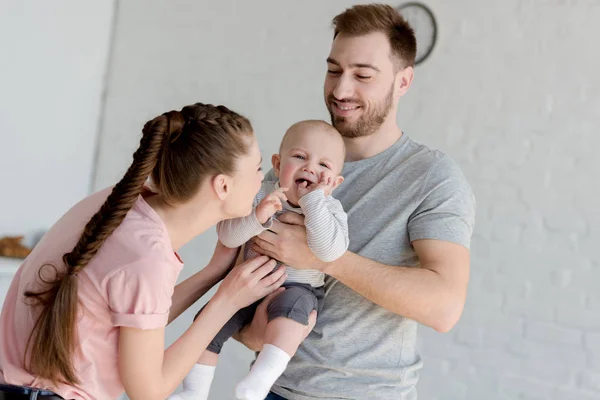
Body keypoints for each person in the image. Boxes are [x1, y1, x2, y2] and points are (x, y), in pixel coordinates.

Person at [237, 4, 477, 400]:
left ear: (403, 82)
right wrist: (249, 331)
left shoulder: (432, 177)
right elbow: (247, 279)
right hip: (272, 390)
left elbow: (445, 306)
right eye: (334, 70)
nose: (340, 90)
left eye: (363, 75)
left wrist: (322, 258)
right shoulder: (293, 163)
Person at [0, 103, 295, 400]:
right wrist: (226, 302)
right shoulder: (147, 258)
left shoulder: (117, 203)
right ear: (222, 186)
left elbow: (132, 318)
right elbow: (148, 392)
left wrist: (212, 273)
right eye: (257, 168)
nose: (262, 179)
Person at [171, 120, 348, 400]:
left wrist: (315, 202)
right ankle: (193, 392)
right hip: (246, 286)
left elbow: (329, 252)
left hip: (295, 290)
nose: (310, 168)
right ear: (277, 165)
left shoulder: (331, 209)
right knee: (206, 323)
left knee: (291, 323)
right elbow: (228, 237)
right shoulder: (260, 194)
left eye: (324, 166)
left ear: (335, 182)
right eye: (300, 157)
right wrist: (257, 218)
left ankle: (259, 381)